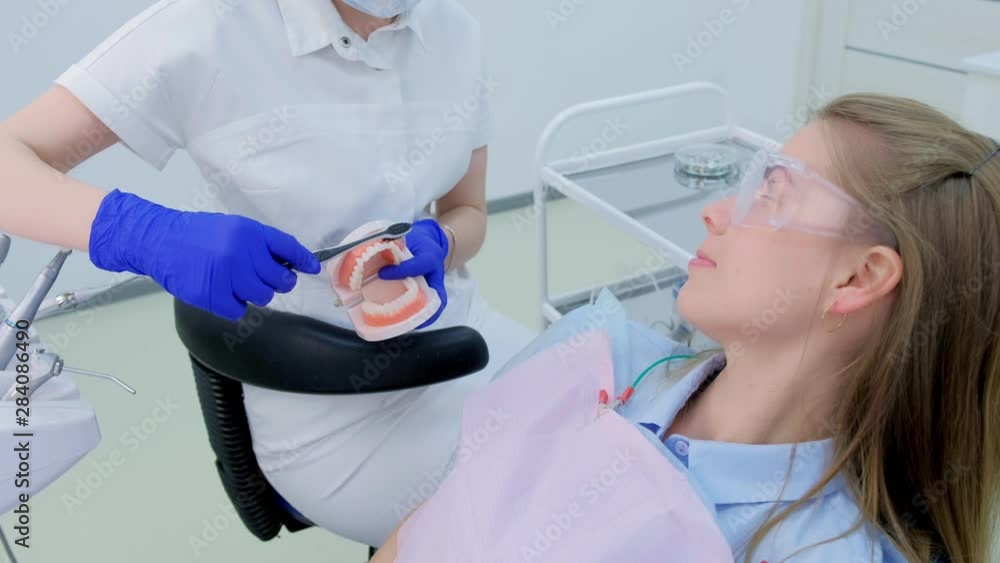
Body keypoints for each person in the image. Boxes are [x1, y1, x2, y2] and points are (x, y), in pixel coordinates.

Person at [372, 93, 1000, 562]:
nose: (718, 211)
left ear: (858, 279)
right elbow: (415, 534)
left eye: (774, 194)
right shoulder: (594, 352)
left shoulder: (816, 549)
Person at [0, 0, 534, 547]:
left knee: (609, 422)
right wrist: (142, 232)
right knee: (531, 515)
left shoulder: (455, 34)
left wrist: (443, 246)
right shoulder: (210, 26)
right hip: (324, 411)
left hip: (465, 341)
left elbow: (468, 212)